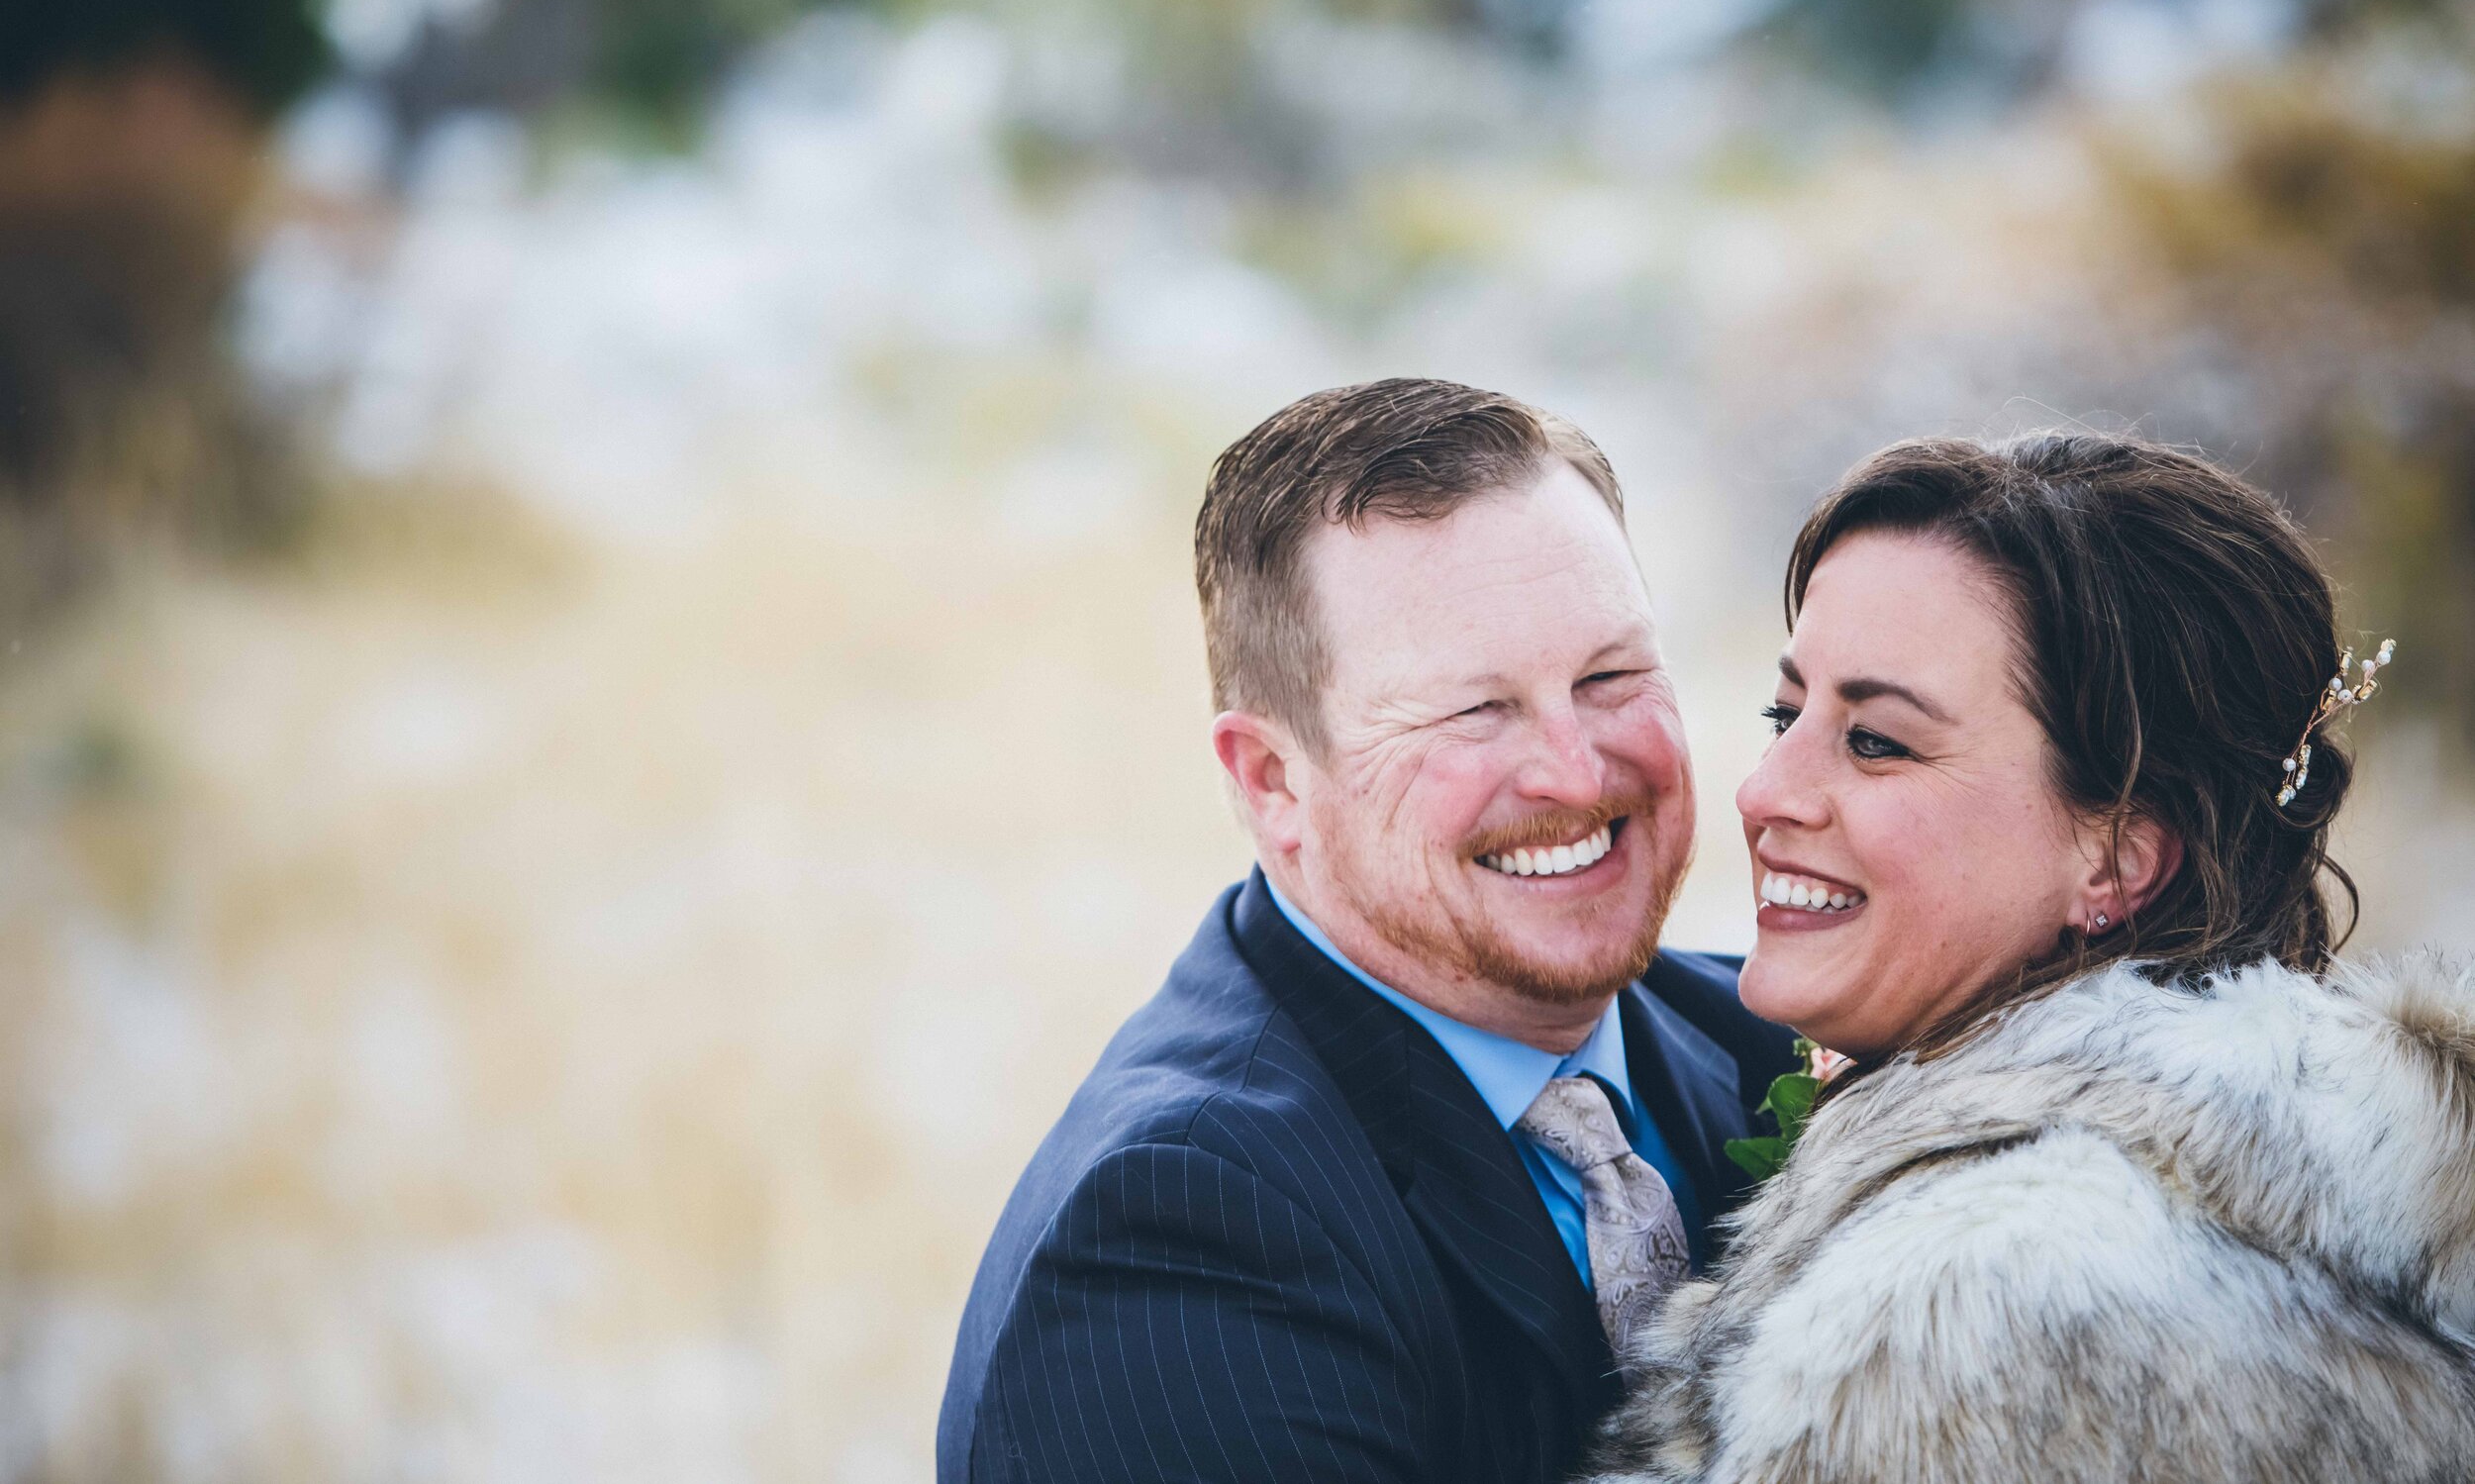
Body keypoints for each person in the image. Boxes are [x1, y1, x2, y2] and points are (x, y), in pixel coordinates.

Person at [937, 378, 1800, 1484]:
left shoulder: (1783, 1044)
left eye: (1609, 674)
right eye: (1472, 710)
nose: (1577, 770)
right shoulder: (1176, 1233)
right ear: (1274, 779)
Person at [1582, 434, 2475, 1484]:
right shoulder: (2304, 1200)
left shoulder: (1970, 1313)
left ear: (2117, 858)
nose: (1765, 789)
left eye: (1875, 740)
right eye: (1786, 713)